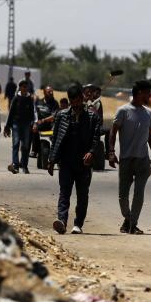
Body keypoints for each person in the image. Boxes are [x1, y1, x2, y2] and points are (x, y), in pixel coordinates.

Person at [108, 79, 151, 234]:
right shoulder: (123, 111)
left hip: (143, 160)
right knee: (122, 197)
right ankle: (128, 220)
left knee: (139, 194)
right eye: (147, 93)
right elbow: (113, 132)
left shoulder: (149, 113)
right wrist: (111, 152)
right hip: (126, 159)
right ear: (139, 93)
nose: (149, 96)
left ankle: (132, 225)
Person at [48, 84, 102, 234]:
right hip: (65, 161)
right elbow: (56, 139)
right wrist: (51, 160)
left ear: (82, 99)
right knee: (64, 192)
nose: (75, 103)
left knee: (82, 194)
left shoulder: (92, 117)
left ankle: (78, 224)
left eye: (77, 100)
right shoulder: (61, 115)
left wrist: (91, 152)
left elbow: (96, 139)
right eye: (72, 100)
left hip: (83, 163)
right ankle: (62, 221)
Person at [5, 80, 35, 174]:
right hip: (16, 124)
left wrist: (33, 123)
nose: (25, 88)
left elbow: (32, 113)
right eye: (24, 87)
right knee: (15, 144)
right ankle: (15, 165)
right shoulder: (16, 98)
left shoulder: (30, 99)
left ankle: (25, 166)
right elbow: (11, 113)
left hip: (26, 124)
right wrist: (7, 126)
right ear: (20, 87)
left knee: (25, 146)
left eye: (27, 87)